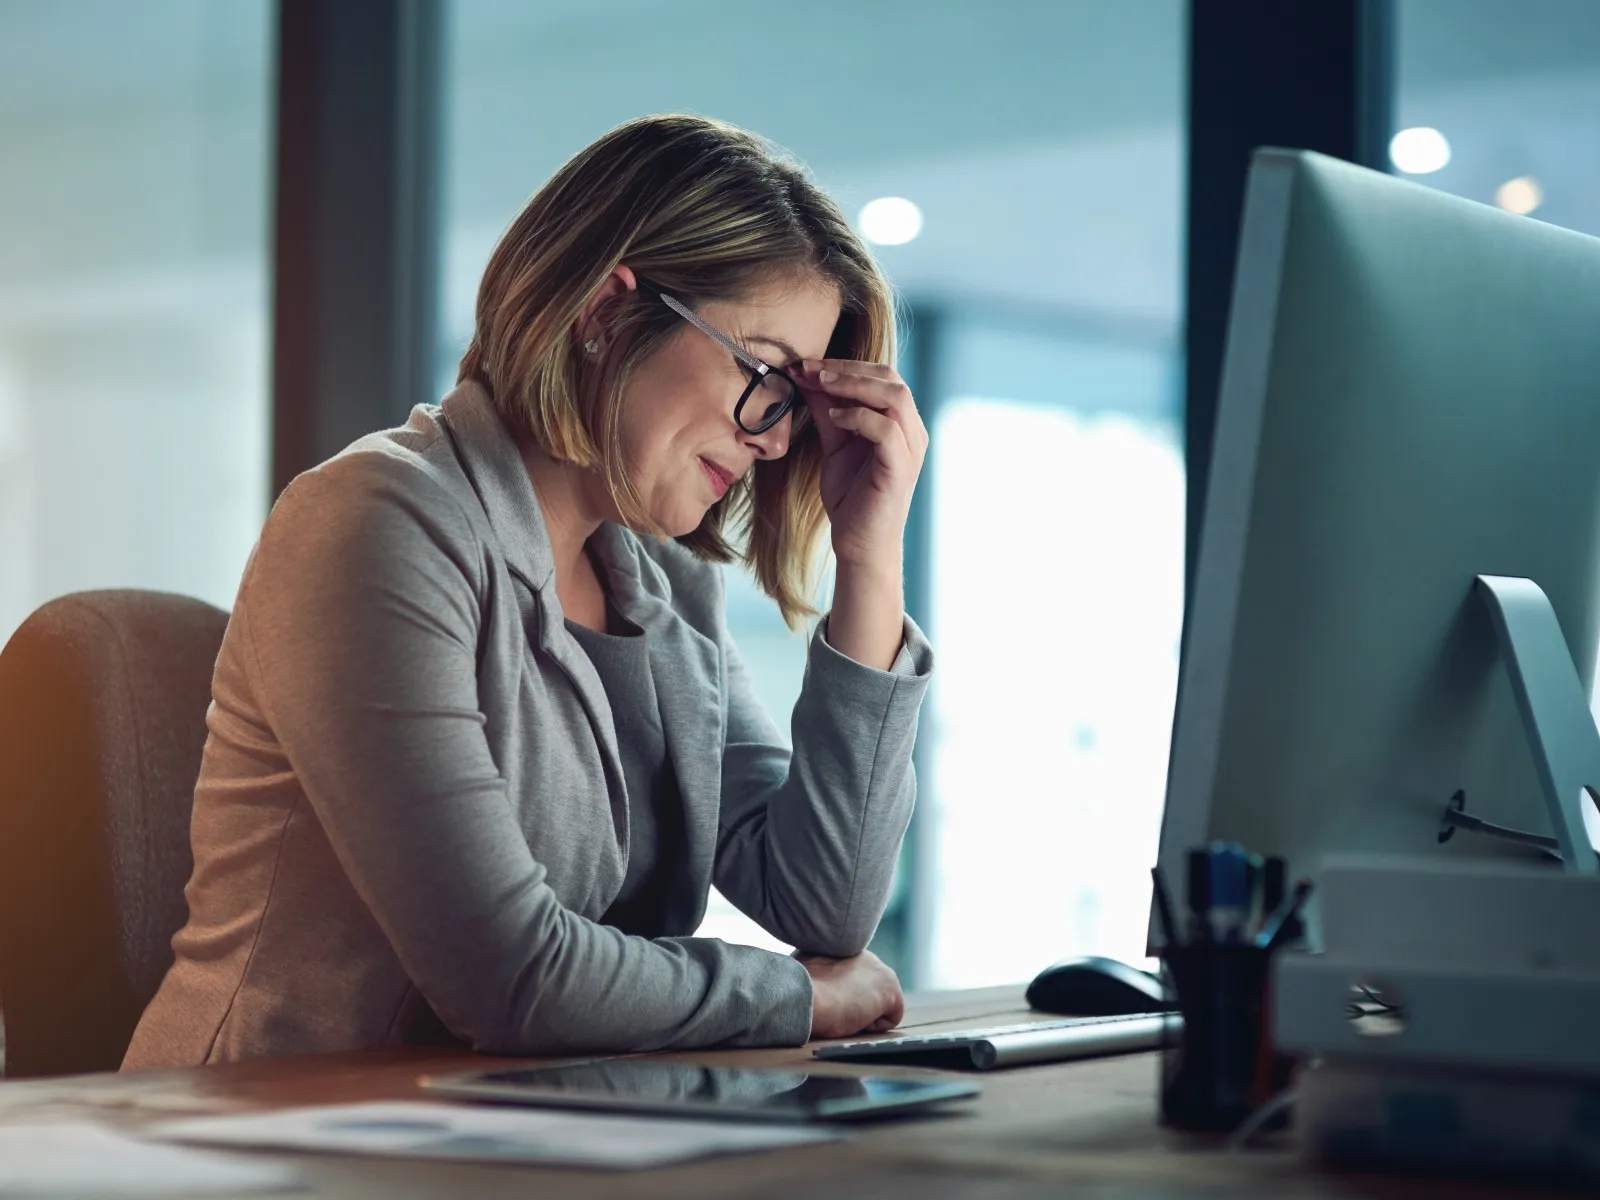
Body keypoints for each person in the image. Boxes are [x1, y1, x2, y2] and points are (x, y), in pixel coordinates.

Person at [122, 114, 933, 1068]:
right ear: (605, 313)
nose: (775, 440)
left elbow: (823, 905)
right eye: (763, 375)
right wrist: (792, 996)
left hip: (521, 1130)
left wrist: (870, 559)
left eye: (797, 403)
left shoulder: (666, 582)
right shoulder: (374, 523)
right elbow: (511, 979)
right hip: (264, 1142)